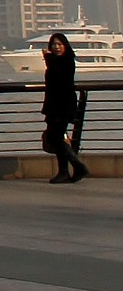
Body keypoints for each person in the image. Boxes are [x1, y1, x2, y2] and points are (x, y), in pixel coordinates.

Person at [42, 32, 91, 183]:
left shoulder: (67, 61)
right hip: (53, 104)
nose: (56, 47)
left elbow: (59, 77)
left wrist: (49, 59)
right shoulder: (55, 60)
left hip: (62, 105)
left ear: (65, 46)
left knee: (55, 137)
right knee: (57, 137)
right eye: (53, 44)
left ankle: (77, 166)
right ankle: (64, 171)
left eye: (59, 44)